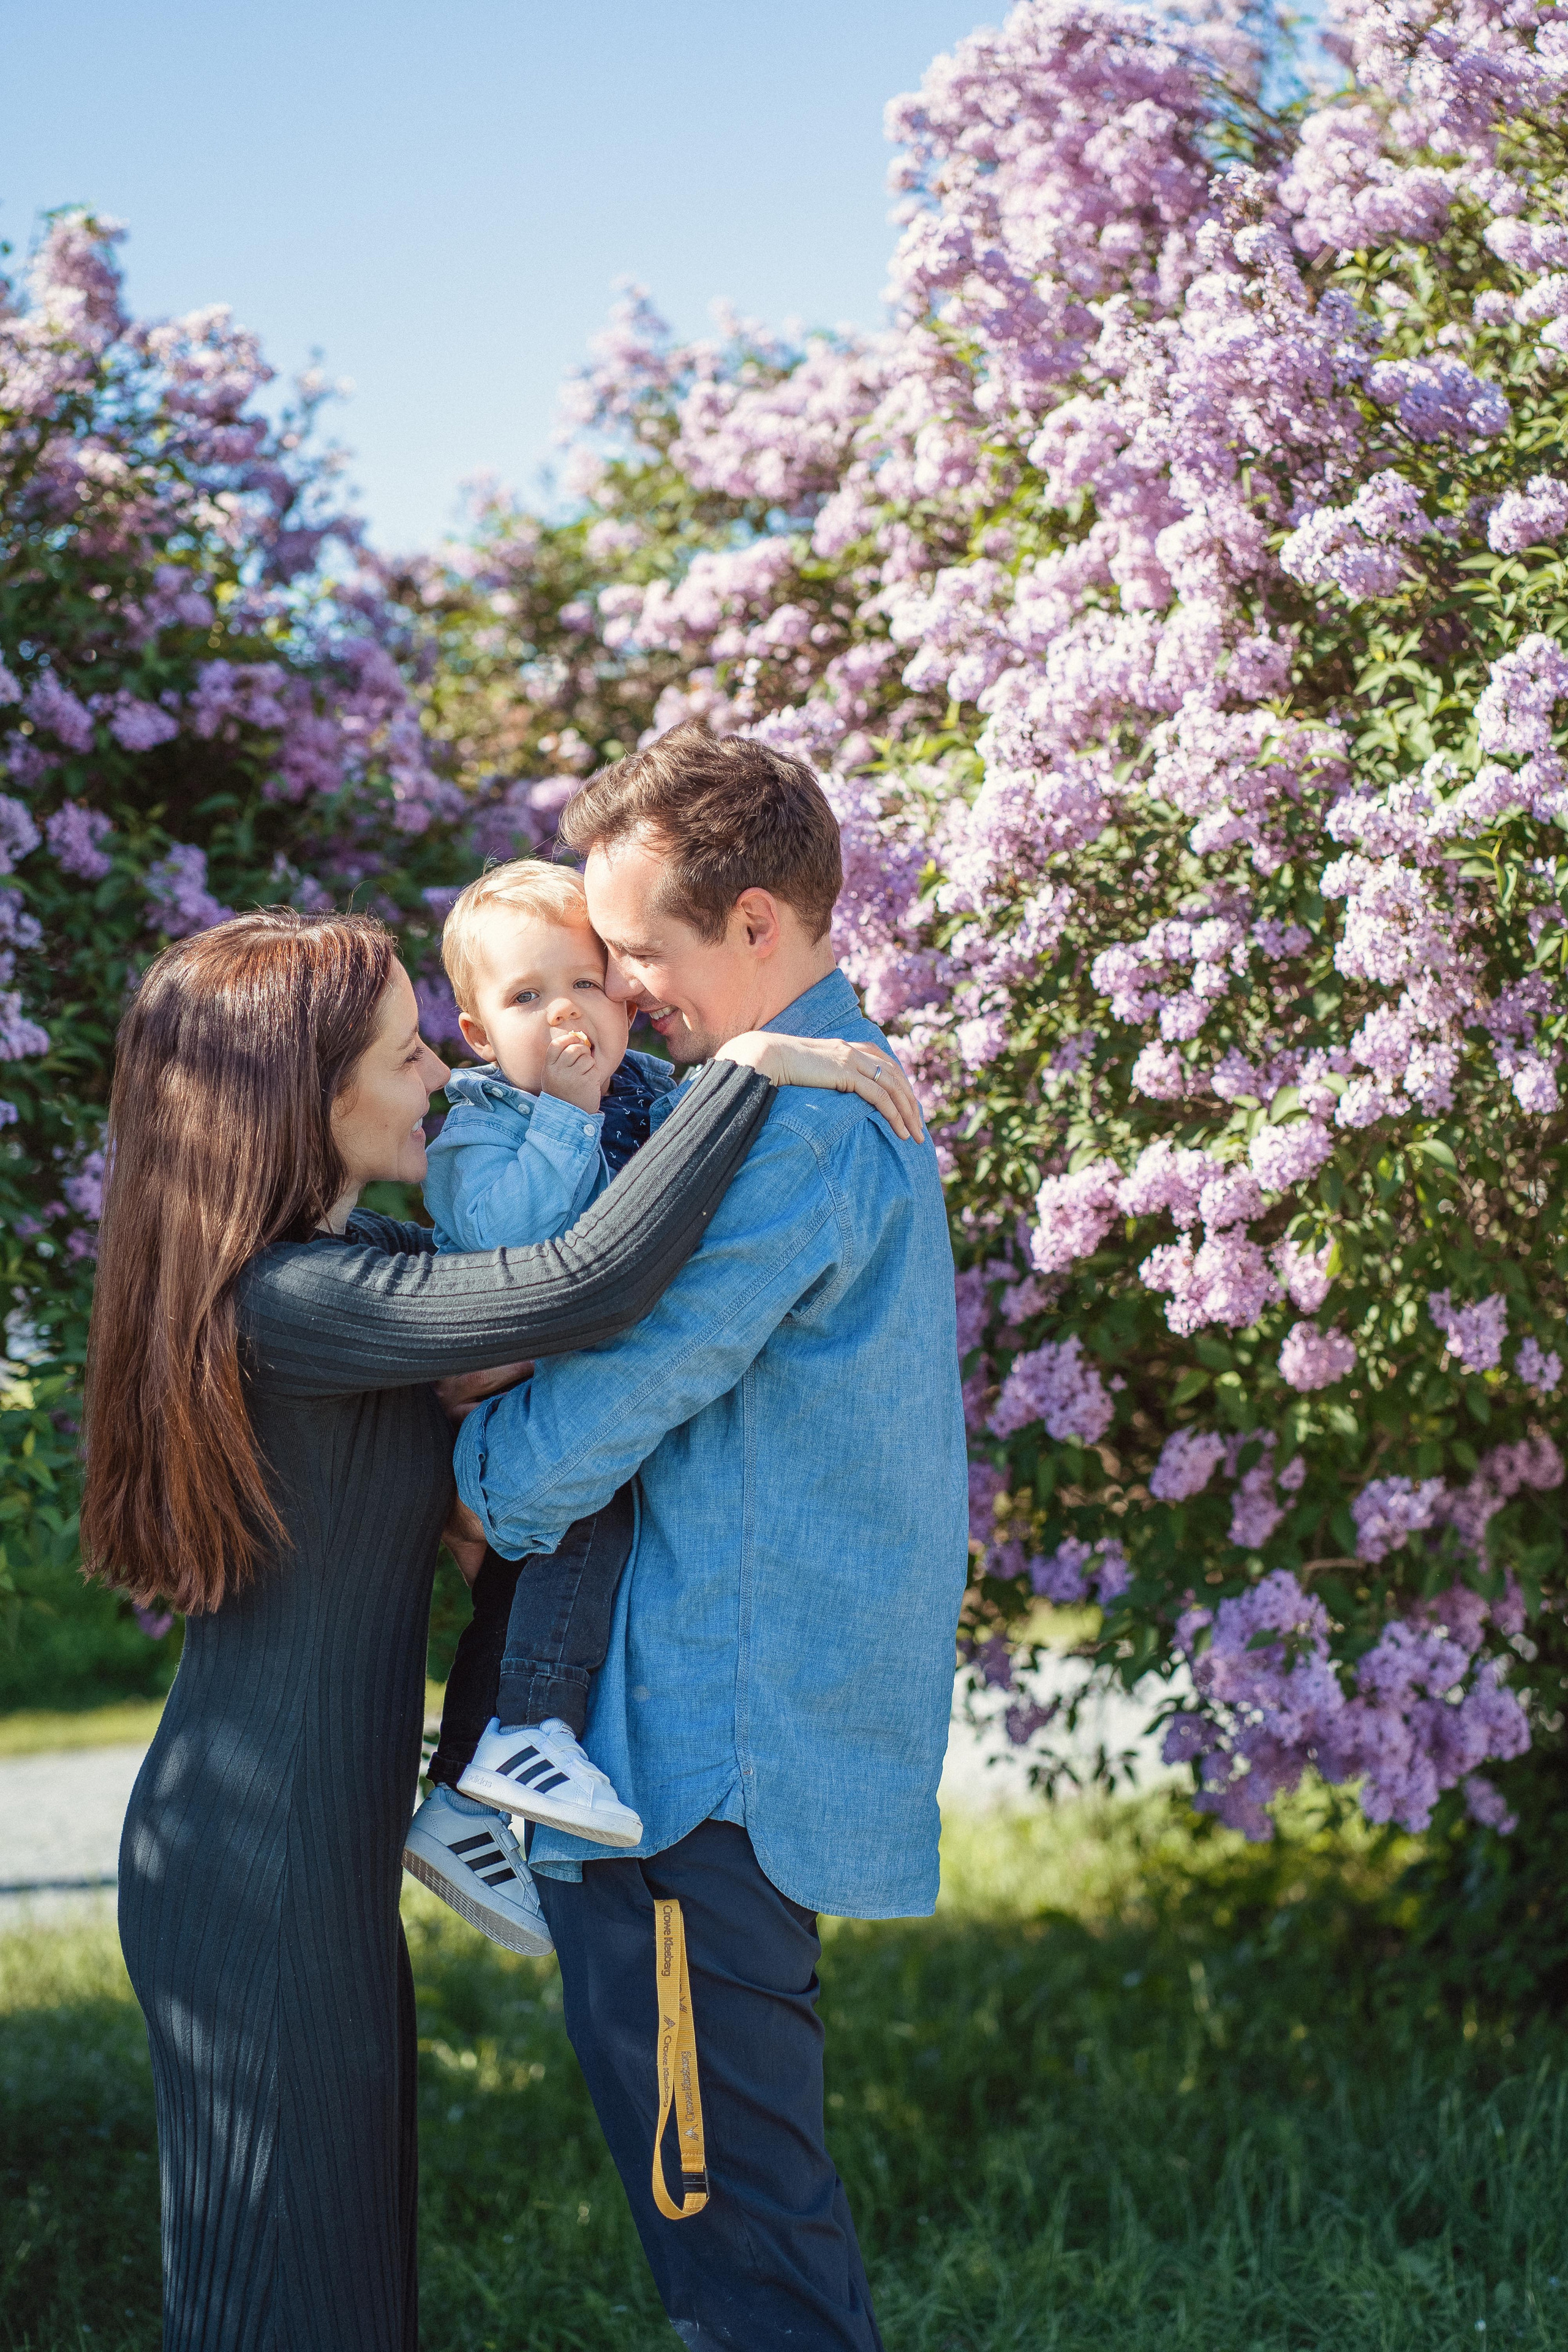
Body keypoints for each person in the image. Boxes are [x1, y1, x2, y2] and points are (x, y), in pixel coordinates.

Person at [85, 904, 914, 2352]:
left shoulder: (359, 1272)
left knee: (339, 2275)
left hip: (310, 1855)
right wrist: (752, 1073)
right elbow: (585, 1283)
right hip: (255, 1868)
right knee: (283, 2294)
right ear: (310, 1098)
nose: (441, 1081)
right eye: (407, 1058)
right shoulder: (294, 1300)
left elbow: (537, 1320)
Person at [451, 724, 970, 2352]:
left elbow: (613, 1401)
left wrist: (464, 1467)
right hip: (699, 1747)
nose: (623, 997)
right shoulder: (775, 1091)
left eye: (647, 956)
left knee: (736, 2234)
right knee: (737, 2213)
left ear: (757, 925)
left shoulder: (797, 1139)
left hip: (689, 1769)